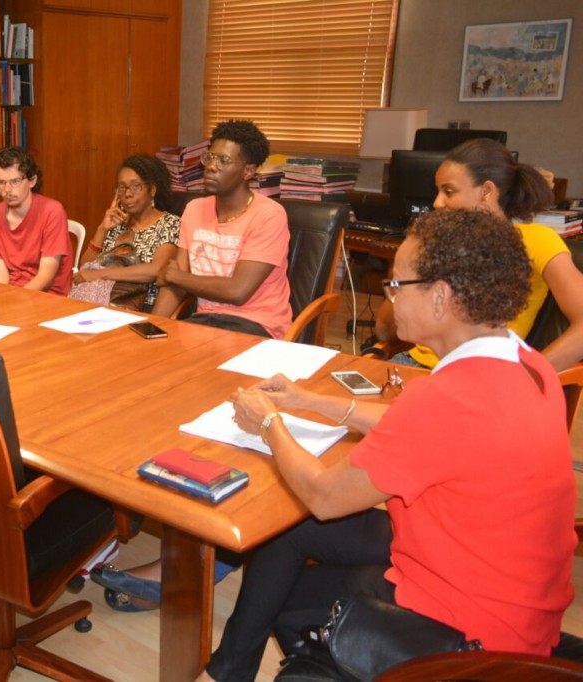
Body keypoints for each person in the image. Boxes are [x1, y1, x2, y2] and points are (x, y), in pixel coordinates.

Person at [199, 208, 576, 681]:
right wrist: (308, 399)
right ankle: (227, 673)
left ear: (440, 297)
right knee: (290, 531)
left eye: (397, 285)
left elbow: (325, 496)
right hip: (515, 597)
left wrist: (269, 422)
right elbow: (417, 428)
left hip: (469, 632)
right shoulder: (526, 363)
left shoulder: (449, 400)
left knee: (293, 586)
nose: (388, 297)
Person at [375, 138, 583, 371]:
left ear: (486, 191)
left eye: (449, 191)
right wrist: (404, 274)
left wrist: (530, 376)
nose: (437, 203)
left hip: (480, 374)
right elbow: (384, 330)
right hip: (414, 366)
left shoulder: (536, 239)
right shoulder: (439, 241)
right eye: (438, 191)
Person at [151, 120, 291, 338]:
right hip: (204, 323)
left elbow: (237, 291)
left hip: (256, 326)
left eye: (224, 161)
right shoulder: (195, 209)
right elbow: (175, 281)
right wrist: (153, 325)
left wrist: (174, 276)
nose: (211, 166)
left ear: (248, 171)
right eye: (210, 157)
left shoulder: (269, 215)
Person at [72, 154, 180, 312]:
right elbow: (85, 268)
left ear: (152, 190)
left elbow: (156, 270)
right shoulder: (116, 225)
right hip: (98, 301)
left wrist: (100, 274)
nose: (128, 194)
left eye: (136, 186)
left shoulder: (170, 224)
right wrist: (102, 229)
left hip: (141, 307)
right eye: (122, 187)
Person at [0, 146, 73, 296]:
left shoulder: (52, 211)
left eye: (15, 181)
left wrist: (16, 299)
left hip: (49, 296)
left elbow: (46, 278)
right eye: (1, 182)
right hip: (13, 293)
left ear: (32, 181)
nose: (7, 189)